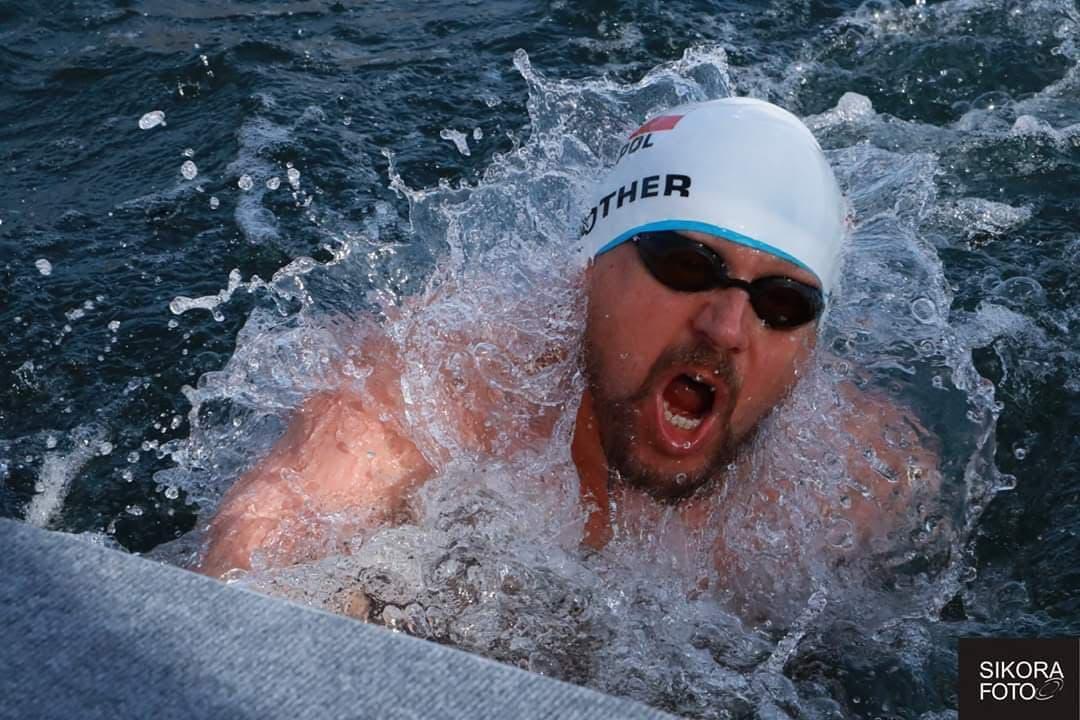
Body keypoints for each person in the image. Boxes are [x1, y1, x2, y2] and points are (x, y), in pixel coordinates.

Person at [198, 98, 934, 579]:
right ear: (590, 268)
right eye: (686, 266)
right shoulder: (423, 397)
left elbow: (996, 687)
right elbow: (242, 595)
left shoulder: (861, 489)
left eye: (782, 303)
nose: (725, 327)